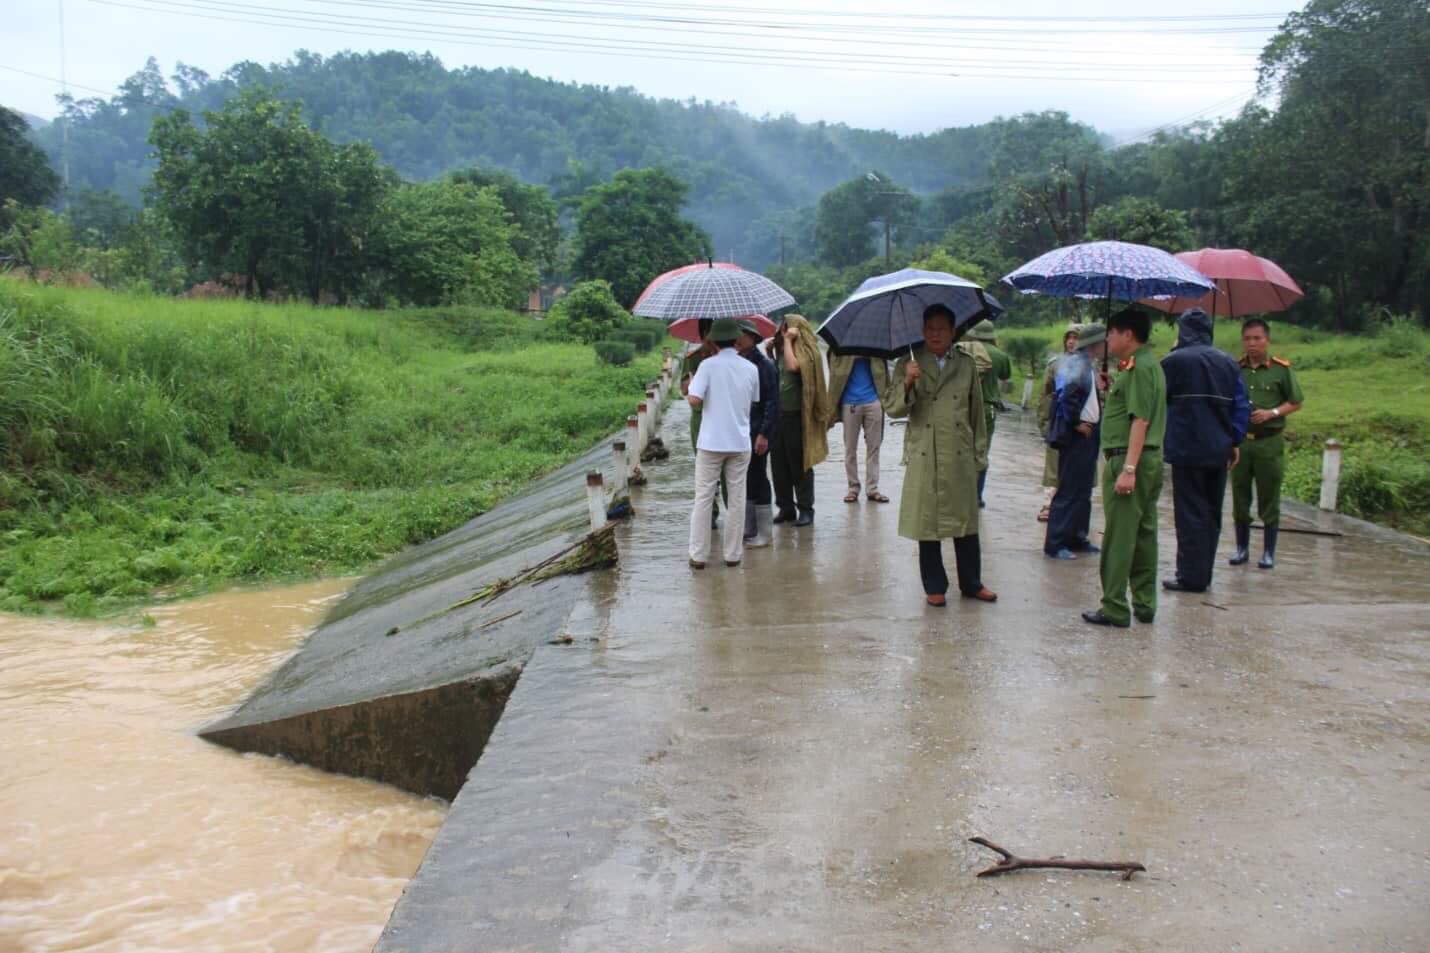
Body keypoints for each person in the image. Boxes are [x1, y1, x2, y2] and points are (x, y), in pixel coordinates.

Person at [883, 304, 997, 607]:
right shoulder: (908, 363)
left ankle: (972, 583)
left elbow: (977, 415)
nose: (935, 334)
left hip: (959, 451)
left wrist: (979, 456)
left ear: (952, 331)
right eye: (929, 329)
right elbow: (893, 408)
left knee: (966, 521)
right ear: (922, 331)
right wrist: (908, 381)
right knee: (927, 521)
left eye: (941, 329)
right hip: (924, 450)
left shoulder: (966, 364)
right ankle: (934, 585)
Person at [1083, 308, 1165, 628]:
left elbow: (1140, 420)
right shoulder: (1141, 366)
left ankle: (1115, 606)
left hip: (1129, 459)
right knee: (1144, 534)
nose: (1108, 338)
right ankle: (1145, 603)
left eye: (1112, 332)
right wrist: (1112, 385)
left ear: (1128, 334)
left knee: (1120, 535)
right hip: (1146, 459)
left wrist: (1128, 468)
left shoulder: (1140, 368)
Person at [1161, 309, 1251, 593]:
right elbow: (1241, 406)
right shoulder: (1229, 363)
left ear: (1184, 330)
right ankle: (1205, 573)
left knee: (1189, 513)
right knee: (1212, 513)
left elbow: (1156, 401)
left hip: (1186, 449)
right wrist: (1235, 441)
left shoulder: (1173, 362)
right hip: (1219, 450)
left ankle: (1190, 577)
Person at [1230, 318, 1304, 570]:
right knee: (1240, 494)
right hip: (1241, 442)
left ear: (1267, 340)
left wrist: (1272, 413)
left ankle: (1268, 552)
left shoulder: (1280, 370)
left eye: (1257, 338)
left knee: (1268, 495)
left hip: (1268, 442)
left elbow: (1295, 401)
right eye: (1247, 338)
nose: (1252, 344)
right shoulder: (1236, 369)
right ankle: (1242, 548)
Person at [686, 318, 760, 569]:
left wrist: (694, 380)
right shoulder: (751, 368)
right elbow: (752, 401)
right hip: (740, 442)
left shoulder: (706, 365)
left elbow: (694, 399)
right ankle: (732, 555)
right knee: (737, 497)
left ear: (714, 342)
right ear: (737, 339)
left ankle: (698, 555)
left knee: (704, 497)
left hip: (710, 443)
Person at [1044, 323, 1107, 559]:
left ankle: (1077, 537)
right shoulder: (1077, 364)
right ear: (1095, 344)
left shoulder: (1088, 365)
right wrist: (1075, 423)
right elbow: (1066, 396)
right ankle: (1056, 542)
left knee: (1083, 489)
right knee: (1070, 489)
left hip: (1089, 436)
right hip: (1077, 436)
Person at [768, 314, 831, 527]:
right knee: (778, 465)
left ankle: (806, 509)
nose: (782, 331)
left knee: (800, 464)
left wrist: (788, 341)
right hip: (778, 415)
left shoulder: (806, 351)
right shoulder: (781, 351)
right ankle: (786, 508)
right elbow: (779, 375)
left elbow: (793, 368)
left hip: (797, 416)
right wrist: (773, 350)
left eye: (786, 328)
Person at [827, 352, 891, 504]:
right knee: (850, 449)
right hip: (850, 403)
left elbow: (885, 375)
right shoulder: (841, 349)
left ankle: (872, 489)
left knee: (874, 447)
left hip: (873, 401)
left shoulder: (876, 348)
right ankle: (853, 488)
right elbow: (834, 370)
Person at [736, 319, 777, 547]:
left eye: (742, 335)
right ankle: (749, 528)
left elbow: (772, 402)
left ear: (752, 338)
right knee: (748, 478)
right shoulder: (742, 362)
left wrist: (764, 434)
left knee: (759, 478)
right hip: (745, 429)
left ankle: (765, 534)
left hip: (759, 430)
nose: (737, 339)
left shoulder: (764, 366)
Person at [679, 323, 724, 528]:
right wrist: (696, 381)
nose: (711, 338)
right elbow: (684, 390)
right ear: (702, 335)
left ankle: (732, 514)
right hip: (700, 417)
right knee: (705, 469)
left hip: (723, 416)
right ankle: (711, 514)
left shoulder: (727, 357)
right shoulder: (692, 359)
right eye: (707, 334)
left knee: (727, 467)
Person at [964, 320, 1011, 507]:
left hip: (963, 406)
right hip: (987, 408)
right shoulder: (999, 355)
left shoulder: (962, 349)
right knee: (981, 451)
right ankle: (976, 496)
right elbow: (1005, 376)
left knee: (961, 448)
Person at [1037, 325, 1081, 522]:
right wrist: (1044, 422)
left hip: (1081, 424)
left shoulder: (1091, 366)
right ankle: (1048, 503)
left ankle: (1071, 505)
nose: (1072, 341)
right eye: (1069, 337)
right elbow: (1045, 395)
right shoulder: (1055, 364)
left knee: (1076, 467)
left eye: (1076, 338)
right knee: (1053, 464)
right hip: (1058, 421)